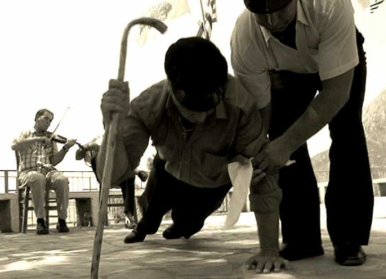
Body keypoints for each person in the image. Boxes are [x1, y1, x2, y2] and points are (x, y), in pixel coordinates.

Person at [97, 37, 289, 274]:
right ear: (172, 88)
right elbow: (114, 176)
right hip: (166, 170)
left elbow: (263, 173)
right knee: (150, 212)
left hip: (212, 183)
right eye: (192, 107)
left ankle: (183, 225)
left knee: (187, 223)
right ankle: (144, 227)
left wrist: (269, 250)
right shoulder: (148, 104)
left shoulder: (241, 105)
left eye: (209, 106)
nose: (201, 117)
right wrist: (111, 128)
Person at [230, 0, 374, 265]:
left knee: (347, 132)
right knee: (280, 135)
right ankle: (301, 238)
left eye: (280, 10)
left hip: (340, 61)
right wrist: (263, 152)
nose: (272, 22)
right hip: (286, 73)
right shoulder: (244, 38)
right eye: (262, 14)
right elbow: (262, 116)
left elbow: (336, 94)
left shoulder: (330, 5)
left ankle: (348, 237)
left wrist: (285, 144)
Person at [11, 109, 77, 234]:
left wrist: (65, 148)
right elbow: (14, 145)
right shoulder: (27, 133)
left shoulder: (50, 138)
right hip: (28, 172)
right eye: (46, 119)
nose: (49, 123)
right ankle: (40, 221)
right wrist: (38, 139)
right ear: (37, 118)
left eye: (50, 120)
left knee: (62, 180)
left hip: (47, 171)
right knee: (37, 178)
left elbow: (54, 160)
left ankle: (62, 220)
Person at [75, 139, 149, 229]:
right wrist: (86, 147)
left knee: (129, 177)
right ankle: (136, 172)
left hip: (119, 174)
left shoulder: (116, 139)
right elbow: (77, 156)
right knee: (95, 157)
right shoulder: (94, 141)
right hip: (103, 176)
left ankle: (129, 216)